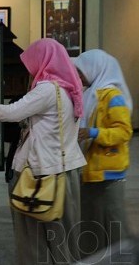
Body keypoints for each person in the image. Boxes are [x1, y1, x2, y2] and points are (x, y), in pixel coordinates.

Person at [0, 38, 87, 264]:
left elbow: (12, 112)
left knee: (34, 242)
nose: (29, 69)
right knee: (63, 241)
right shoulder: (67, 88)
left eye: (31, 63)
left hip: (42, 173)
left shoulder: (47, 90)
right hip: (63, 169)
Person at [73, 49, 133, 258]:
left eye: (81, 72)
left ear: (95, 68)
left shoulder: (113, 97)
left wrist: (93, 132)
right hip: (91, 171)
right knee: (91, 225)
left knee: (113, 225)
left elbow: (124, 131)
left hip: (109, 174)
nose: (79, 77)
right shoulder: (91, 93)